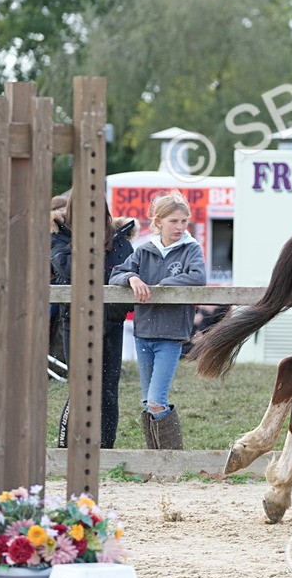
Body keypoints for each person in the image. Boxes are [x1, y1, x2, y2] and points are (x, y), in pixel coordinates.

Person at [110, 190, 207, 449]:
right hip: (144, 332)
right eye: (173, 221)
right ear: (158, 221)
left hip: (172, 334)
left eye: (184, 221)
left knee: (156, 399)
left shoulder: (191, 250)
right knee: (147, 400)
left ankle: (172, 457)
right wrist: (133, 279)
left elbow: (197, 277)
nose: (179, 226)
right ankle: (156, 459)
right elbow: (117, 274)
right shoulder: (144, 251)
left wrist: (160, 286)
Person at [50, 193, 136, 449]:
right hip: (75, 321)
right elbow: (68, 269)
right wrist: (89, 245)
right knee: (80, 386)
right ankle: (68, 446)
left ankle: (105, 447)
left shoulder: (121, 241)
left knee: (108, 390)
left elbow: (125, 271)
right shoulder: (60, 236)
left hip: (111, 320)